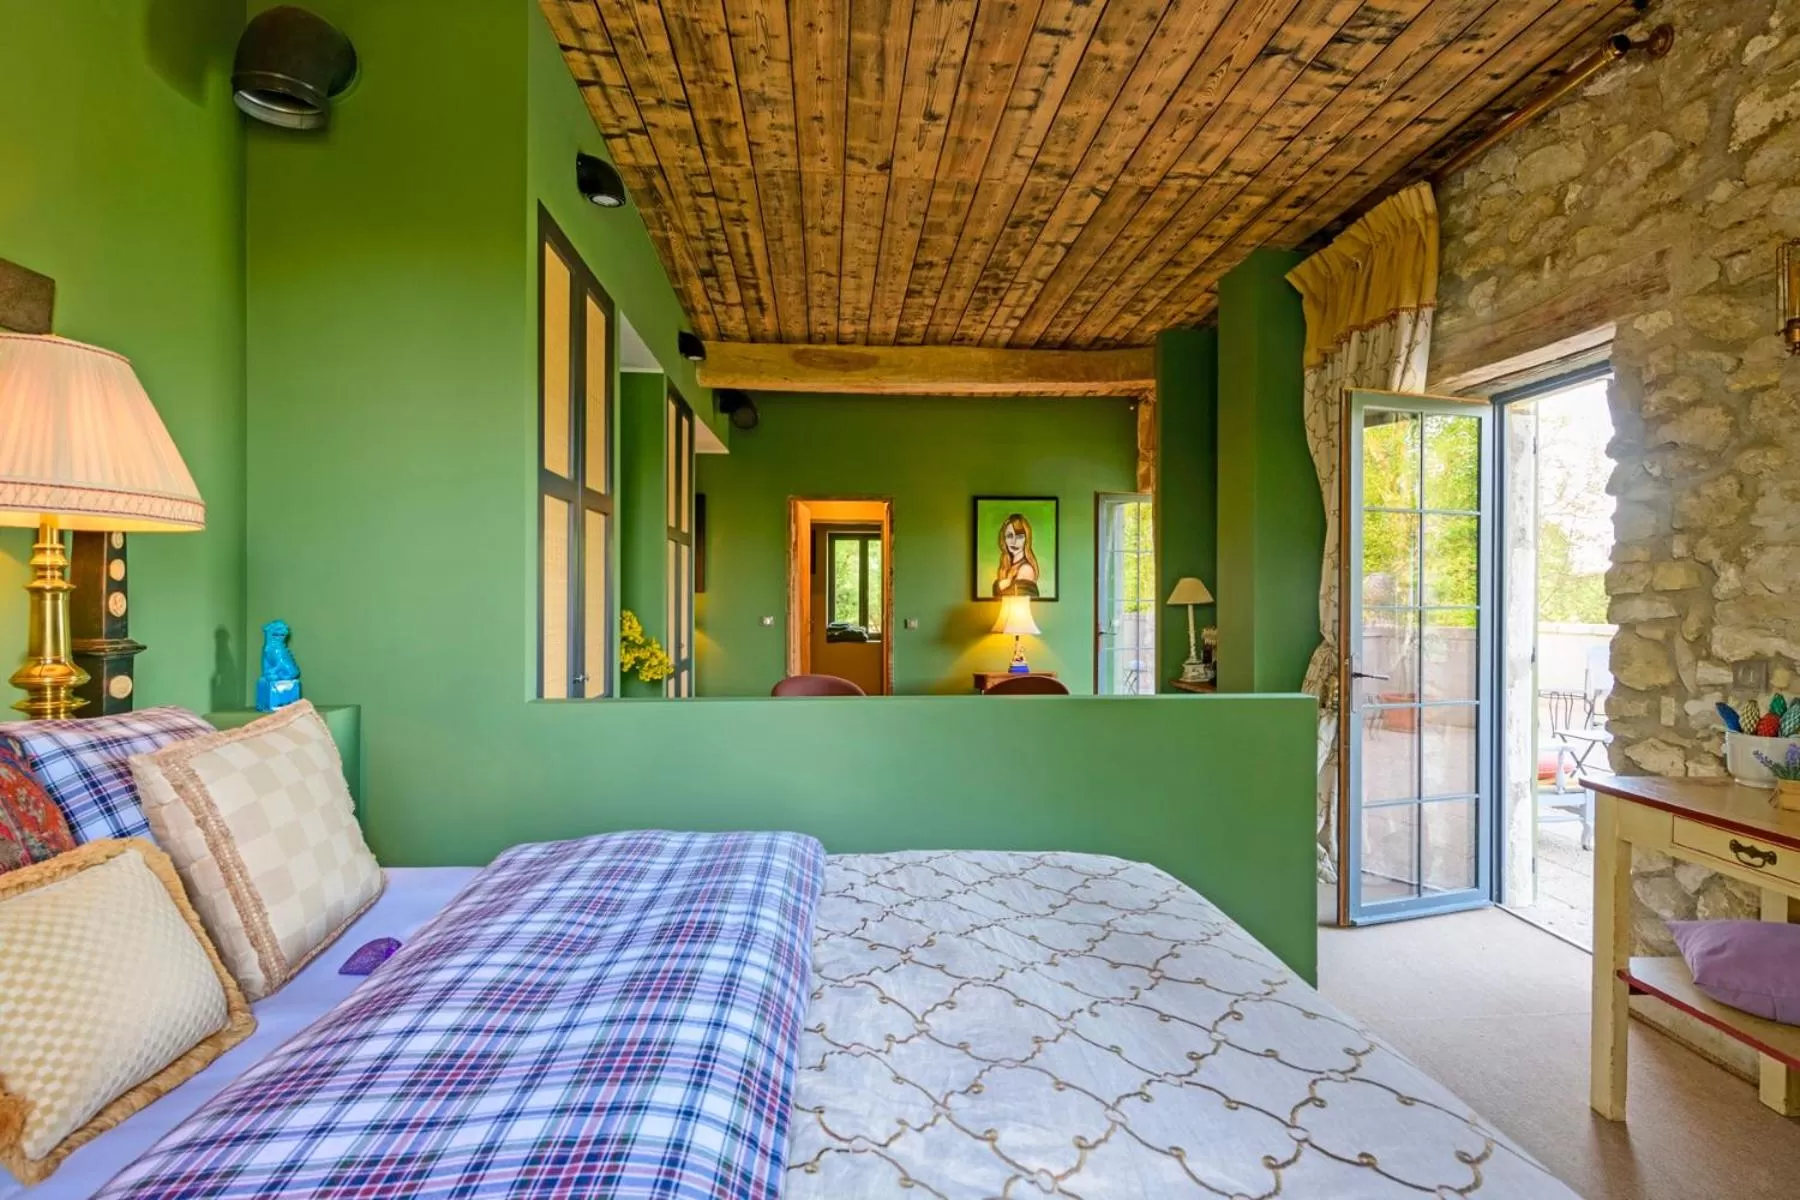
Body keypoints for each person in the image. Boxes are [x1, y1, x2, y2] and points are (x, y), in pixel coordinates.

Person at [992, 514, 1040, 598]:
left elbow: (1015, 599)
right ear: (1004, 539)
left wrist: (998, 586)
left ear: (1027, 540)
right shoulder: (1007, 565)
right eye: (1010, 536)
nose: (1014, 542)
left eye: (1020, 537)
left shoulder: (1026, 569)